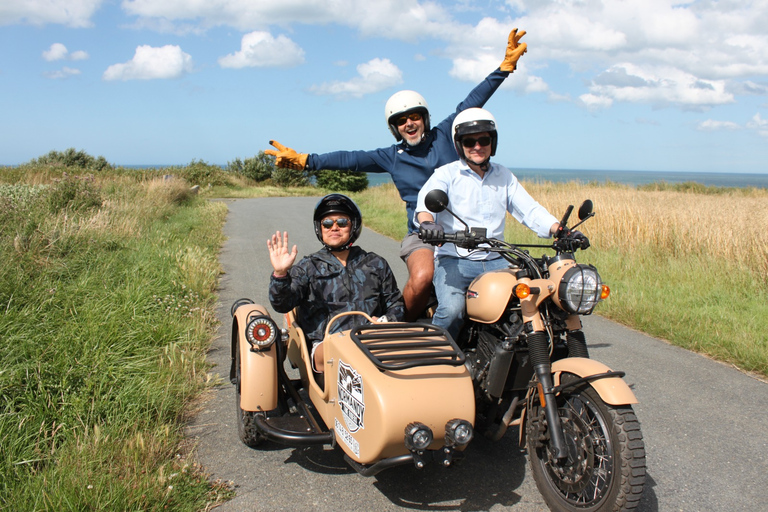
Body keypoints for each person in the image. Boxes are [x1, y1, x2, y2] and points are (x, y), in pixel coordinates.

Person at [265, 28, 529, 322]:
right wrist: (306, 161)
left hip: (463, 233)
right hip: (423, 234)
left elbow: (473, 101)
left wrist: (503, 69)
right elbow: (351, 159)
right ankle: (405, 325)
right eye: (401, 121)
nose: (409, 124)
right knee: (423, 276)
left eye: (414, 116)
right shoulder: (392, 157)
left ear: (424, 118)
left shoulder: (444, 135)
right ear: (395, 128)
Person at [415, 107, 588, 339]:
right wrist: (429, 225)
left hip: (497, 259)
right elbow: (425, 208)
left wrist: (560, 230)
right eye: (469, 141)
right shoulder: (446, 174)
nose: (477, 146)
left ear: (492, 142)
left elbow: (530, 210)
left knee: (535, 302)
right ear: (460, 145)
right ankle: (432, 356)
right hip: (455, 260)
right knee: (452, 310)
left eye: (483, 139)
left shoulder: (504, 176)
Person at [268, 193, 405, 373]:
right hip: (326, 344)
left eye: (341, 222)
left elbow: (395, 304)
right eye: (327, 223)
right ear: (320, 228)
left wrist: (385, 321)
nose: (334, 227)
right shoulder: (308, 266)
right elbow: (282, 304)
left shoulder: (375, 263)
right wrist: (280, 274)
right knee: (344, 353)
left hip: (371, 338)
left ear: (353, 226)